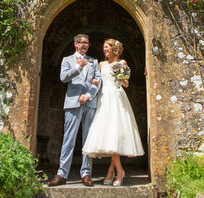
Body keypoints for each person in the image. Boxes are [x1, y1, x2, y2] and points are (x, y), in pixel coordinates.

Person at [82, 38, 144, 186]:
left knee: (114, 133)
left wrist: (120, 77)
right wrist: (93, 83)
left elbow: (126, 84)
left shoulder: (122, 63)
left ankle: (116, 171)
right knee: (108, 133)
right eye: (103, 47)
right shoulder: (101, 64)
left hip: (117, 97)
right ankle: (116, 170)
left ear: (114, 49)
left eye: (107, 47)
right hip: (104, 98)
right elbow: (95, 79)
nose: (104, 50)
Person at [46, 33, 102, 187]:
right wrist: (78, 67)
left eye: (87, 43)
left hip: (89, 103)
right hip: (72, 103)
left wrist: (88, 95)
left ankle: (86, 174)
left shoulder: (93, 61)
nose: (85, 45)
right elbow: (64, 78)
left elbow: (98, 81)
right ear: (75, 44)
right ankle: (62, 174)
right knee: (68, 140)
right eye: (82, 42)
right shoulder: (67, 60)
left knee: (88, 140)